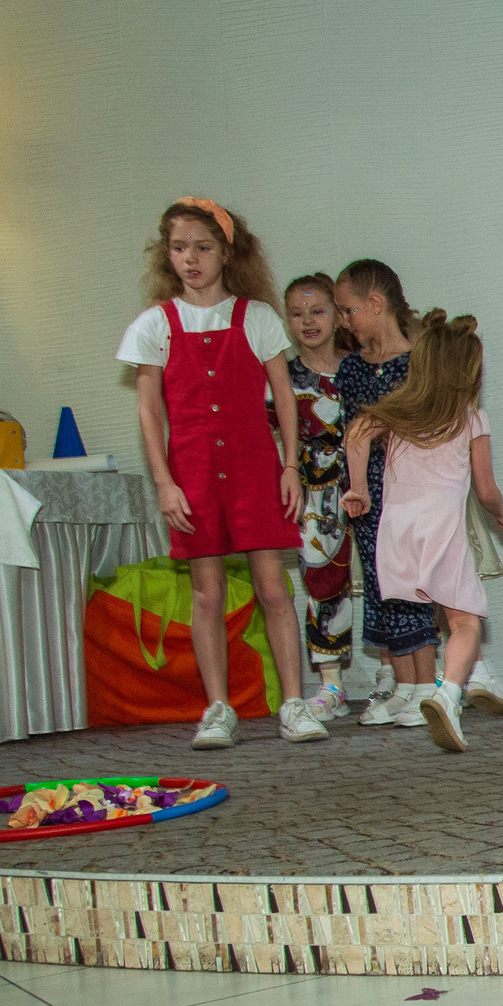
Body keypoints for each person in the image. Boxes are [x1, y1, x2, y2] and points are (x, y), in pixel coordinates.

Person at [117, 197, 326, 750]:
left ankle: (294, 703)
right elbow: (149, 409)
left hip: (256, 470)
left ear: (226, 253)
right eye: (180, 248)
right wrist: (164, 481)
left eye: (203, 247)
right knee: (207, 595)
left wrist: (289, 467)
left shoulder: (256, 318)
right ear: (167, 255)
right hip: (193, 476)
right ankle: (217, 709)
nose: (191, 259)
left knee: (273, 589)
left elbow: (284, 397)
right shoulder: (154, 325)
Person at [332, 259, 503, 724]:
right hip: (440, 532)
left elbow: (356, 433)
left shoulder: (401, 411)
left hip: (393, 534)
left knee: (406, 609)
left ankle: (423, 688)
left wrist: (359, 489)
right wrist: (500, 511)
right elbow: (486, 487)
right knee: (465, 620)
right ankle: (449, 692)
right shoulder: (471, 417)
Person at [281, 274, 356, 722]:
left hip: (370, 486)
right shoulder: (284, 376)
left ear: (336, 313)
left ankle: (394, 674)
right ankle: (332, 685)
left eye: (317, 310)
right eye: (296, 313)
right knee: (323, 584)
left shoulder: (359, 366)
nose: (307, 320)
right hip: (314, 495)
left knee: (390, 577)